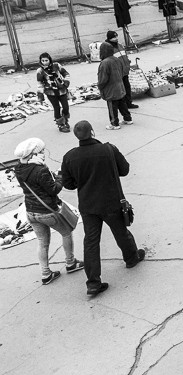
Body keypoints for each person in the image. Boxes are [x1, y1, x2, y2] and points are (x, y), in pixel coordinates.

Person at [61, 121, 145, 296]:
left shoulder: (69, 156)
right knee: (120, 231)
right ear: (92, 132)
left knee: (91, 241)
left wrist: (83, 179)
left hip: (87, 205)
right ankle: (131, 258)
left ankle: (93, 283)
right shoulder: (108, 149)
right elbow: (125, 170)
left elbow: (68, 184)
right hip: (110, 201)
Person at [14, 138, 83, 285]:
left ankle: (46, 273)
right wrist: (59, 177)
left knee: (42, 242)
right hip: (47, 211)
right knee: (66, 233)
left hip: (31, 211)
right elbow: (54, 189)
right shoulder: (40, 170)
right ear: (34, 154)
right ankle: (71, 263)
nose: (44, 153)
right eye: (41, 151)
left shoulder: (19, 168)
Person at [97, 39, 131, 131]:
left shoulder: (104, 63)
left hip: (111, 89)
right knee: (122, 104)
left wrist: (100, 86)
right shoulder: (117, 59)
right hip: (120, 86)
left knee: (112, 107)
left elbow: (102, 79)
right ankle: (128, 118)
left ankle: (114, 123)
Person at [36, 52, 72, 133]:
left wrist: (66, 82)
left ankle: (65, 119)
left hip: (61, 90)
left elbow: (66, 74)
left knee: (65, 107)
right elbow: (39, 84)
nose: (45, 62)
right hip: (50, 92)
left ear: (50, 60)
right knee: (57, 108)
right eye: (43, 61)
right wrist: (40, 95)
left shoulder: (56, 66)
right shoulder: (40, 71)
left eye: (46, 60)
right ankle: (61, 124)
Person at [105, 31, 136, 110]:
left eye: (116, 36)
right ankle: (122, 105)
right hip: (117, 73)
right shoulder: (108, 48)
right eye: (114, 37)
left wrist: (128, 63)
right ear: (109, 38)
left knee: (127, 88)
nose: (116, 38)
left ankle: (128, 103)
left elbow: (124, 55)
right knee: (120, 90)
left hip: (124, 71)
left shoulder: (120, 46)